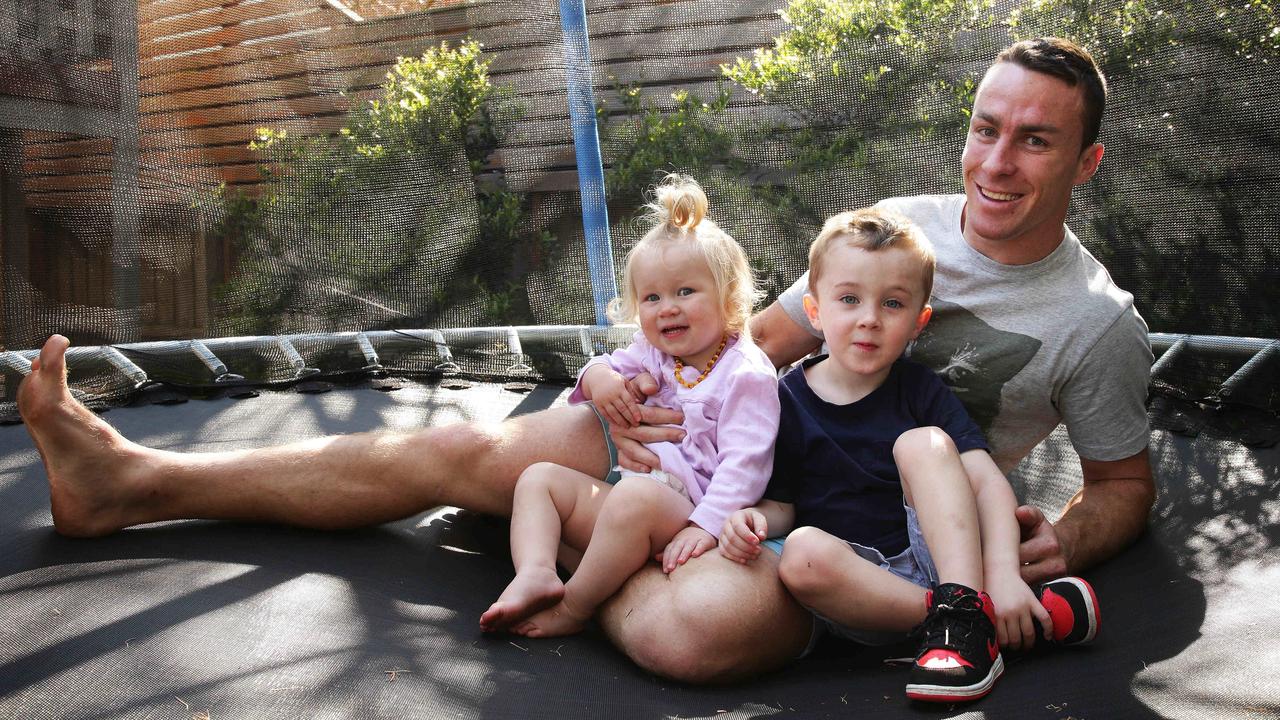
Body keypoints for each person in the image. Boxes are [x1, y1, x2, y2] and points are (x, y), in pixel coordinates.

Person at [18, 36, 1155, 683]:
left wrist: (1060, 540)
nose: (994, 162)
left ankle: (558, 542)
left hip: (826, 518)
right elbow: (755, 349)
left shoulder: (1095, 321)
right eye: (983, 127)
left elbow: (1119, 489)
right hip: (731, 447)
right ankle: (138, 481)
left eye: (1033, 139)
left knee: (693, 633)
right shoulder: (899, 222)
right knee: (470, 445)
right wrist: (625, 378)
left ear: (1084, 161)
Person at [720, 207, 1099, 702]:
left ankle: (973, 612)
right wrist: (751, 520)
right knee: (802, 553)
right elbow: (783, 507)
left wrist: (1004, 573)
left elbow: (984, 481)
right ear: (814, 311)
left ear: (919, 322)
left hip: (946, 560)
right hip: (868, 591)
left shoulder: (919, 390)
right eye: (849, 299)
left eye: (892, 304)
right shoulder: (784, 399)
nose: (869, 320)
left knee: (922, 442)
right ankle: (983, 624)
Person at [479, 175, 778, 638]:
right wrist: (599, 379)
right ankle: (535, 573)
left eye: (685, 292)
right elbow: (606, 364)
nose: (667, 309)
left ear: (729, 298)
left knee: (634, 499)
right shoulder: (654, 350)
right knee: (539, 478)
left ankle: (575, 607)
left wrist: (707, 524)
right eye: (652, 297)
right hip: (631, 503)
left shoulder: (745, 373)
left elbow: (747, 463)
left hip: (687, 509)